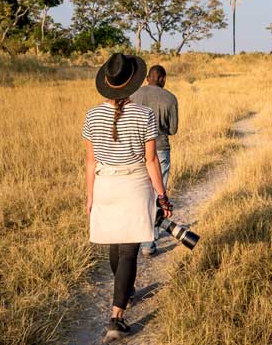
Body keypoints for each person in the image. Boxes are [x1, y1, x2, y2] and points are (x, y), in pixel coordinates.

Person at [82, 53, 173, 341]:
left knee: (114, 244)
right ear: (132, 83)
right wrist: (162, 195)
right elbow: (150, 161)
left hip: (105, 185)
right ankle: (116, 317)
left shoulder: (92, 115)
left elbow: (89, 162)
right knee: (128, 252)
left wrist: (89, 196)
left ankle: (126, 293)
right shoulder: (143, 115)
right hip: (134, 185)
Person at [130, 65, 178, 256]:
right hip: (160, 149)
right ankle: (149, 242)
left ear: (147, 78)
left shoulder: (133, 95)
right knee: (158, 195)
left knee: (140, 195)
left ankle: (139, 235)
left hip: (136, 150)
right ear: (163, 79)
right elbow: (173, 129)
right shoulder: (169, 98)